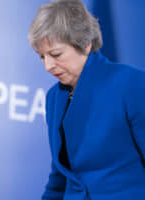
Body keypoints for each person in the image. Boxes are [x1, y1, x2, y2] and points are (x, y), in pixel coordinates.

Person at [28, 0, 145, 199]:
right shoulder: (53, 98)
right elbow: (60, 178)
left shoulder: (131, 83)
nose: (48, 66)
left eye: (56, 54)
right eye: (42, 57)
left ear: (85, 43)